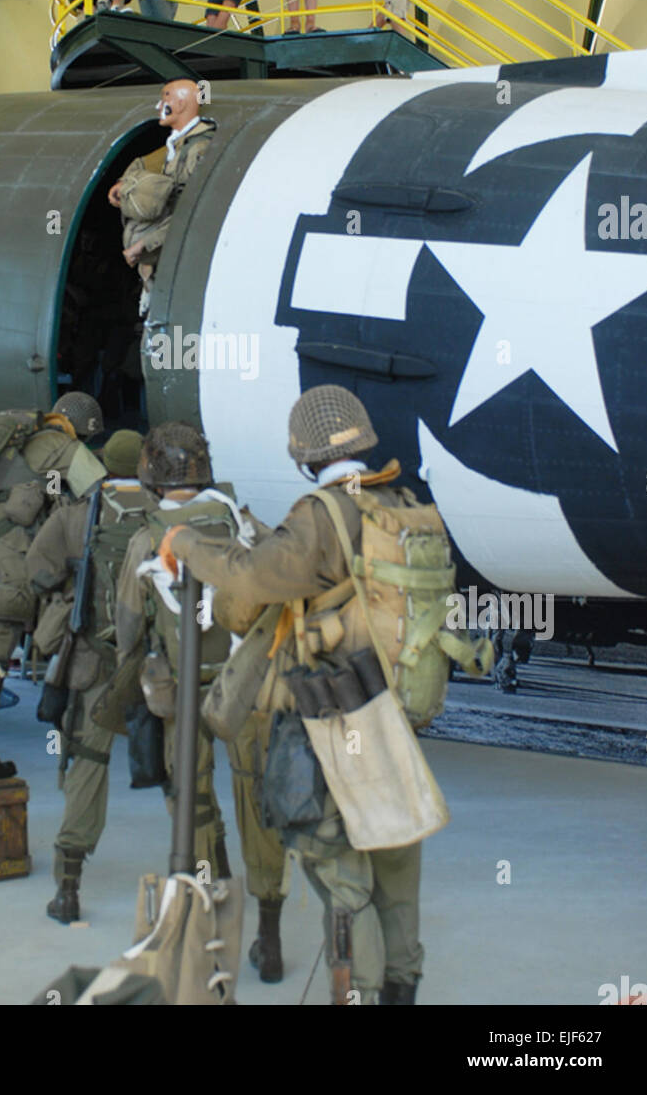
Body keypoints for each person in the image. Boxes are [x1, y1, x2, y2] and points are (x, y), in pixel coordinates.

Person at [159, 387, 432, 1005]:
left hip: (336, 722)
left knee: (339, 874)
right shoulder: (400, 503)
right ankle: (401, 988)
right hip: (397, 717)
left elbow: (253, 579)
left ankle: (356, 992)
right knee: (397, 868)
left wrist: (187, 546)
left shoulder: (325, 515)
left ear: (305, 459)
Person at [114, 422, 288, 980]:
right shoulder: (242, 523)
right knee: (258, 799)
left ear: (150, 475)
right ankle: (269, 934)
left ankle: (214, 926)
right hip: (247, 689)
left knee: (195, 806)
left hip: (181, 697)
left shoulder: (146, 539)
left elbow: (126, 626)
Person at [26, 429, 154, 923]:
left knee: (87, 767)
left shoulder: (76, 515)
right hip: (156, 664)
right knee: (184, 773)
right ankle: (208, 876)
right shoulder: (165, 517)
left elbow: (37, 573)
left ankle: (68, 888)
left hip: (95, 664)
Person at [0, 394, 107, 778]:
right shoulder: (61, 447)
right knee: (1, 651)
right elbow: (100, 489)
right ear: (83, 431)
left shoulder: (17, 447)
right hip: (17, 563)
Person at [108, 78, 216, 312]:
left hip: (172, 262)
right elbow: (146, 163)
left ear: (182, 103)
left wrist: (143, 245)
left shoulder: (197, 149)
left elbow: (191, 211)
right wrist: (122, 184)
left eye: (165, 98)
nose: (158, 106)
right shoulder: (176, 145)